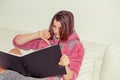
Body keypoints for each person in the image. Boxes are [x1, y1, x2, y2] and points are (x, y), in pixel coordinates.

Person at [0, 10, 84, 80]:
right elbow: (17, 42)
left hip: (45, 78)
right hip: (27, 74)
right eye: (54, 26)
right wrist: (37, 34)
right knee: (14, 52)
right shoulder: (47, 37)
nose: (56, 31)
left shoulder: (76, 46)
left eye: (60, 28)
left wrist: (65, 66)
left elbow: (71, 77)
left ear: (68, 27)